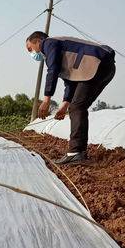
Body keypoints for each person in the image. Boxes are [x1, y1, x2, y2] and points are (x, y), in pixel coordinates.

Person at [26, 31, 116, 164]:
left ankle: (76, 152)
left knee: (77, 107)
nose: (31, 53)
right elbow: (71, 80)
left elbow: (53, 70)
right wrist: (64, 106)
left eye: (30, 49)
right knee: (78, 106)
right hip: (104, 68)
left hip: (96, 65)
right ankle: (78, 151)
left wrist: (46, 100)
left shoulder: (49, 43)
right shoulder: (63, 50)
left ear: (38, 41)